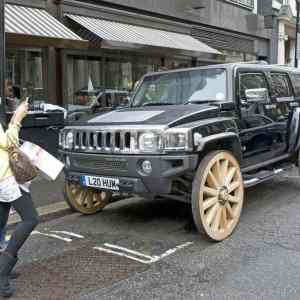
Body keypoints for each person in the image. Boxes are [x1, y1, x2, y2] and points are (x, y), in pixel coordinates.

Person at [0, 100, 39, 297]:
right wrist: (17, 118)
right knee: (31, 218)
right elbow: (7, 143)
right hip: (4, 177)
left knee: (0, 222)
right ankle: (2, 271)